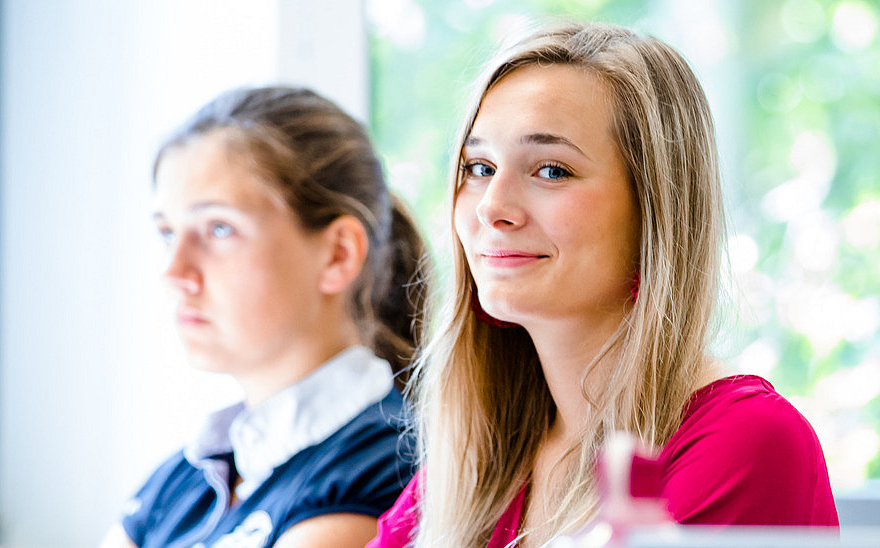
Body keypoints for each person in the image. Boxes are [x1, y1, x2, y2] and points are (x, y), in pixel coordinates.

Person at [368, 22, 839, 548]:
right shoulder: (477, 461)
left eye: (551, 170)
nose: (491, 207)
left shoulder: (747, 444)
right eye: (479, 166)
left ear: (654, 213)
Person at [98, 87, 429, 548]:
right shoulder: (175, 483)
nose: (175, 273)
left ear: (338, 254)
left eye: (218, 228)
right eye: (168, 232)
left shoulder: (388, 467)